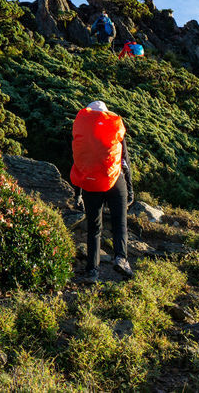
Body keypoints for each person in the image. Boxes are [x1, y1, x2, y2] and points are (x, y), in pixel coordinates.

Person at [70, 100, 134, 283]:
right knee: (120, 223)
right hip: (115, 181)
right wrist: (130, 188)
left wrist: (78, 194)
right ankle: (121, 258)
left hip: (90, 185)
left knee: (94, 228)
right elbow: (125, 163)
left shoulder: (82, 133)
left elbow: (79, 165)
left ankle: (92, 271)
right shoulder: (114, 129)